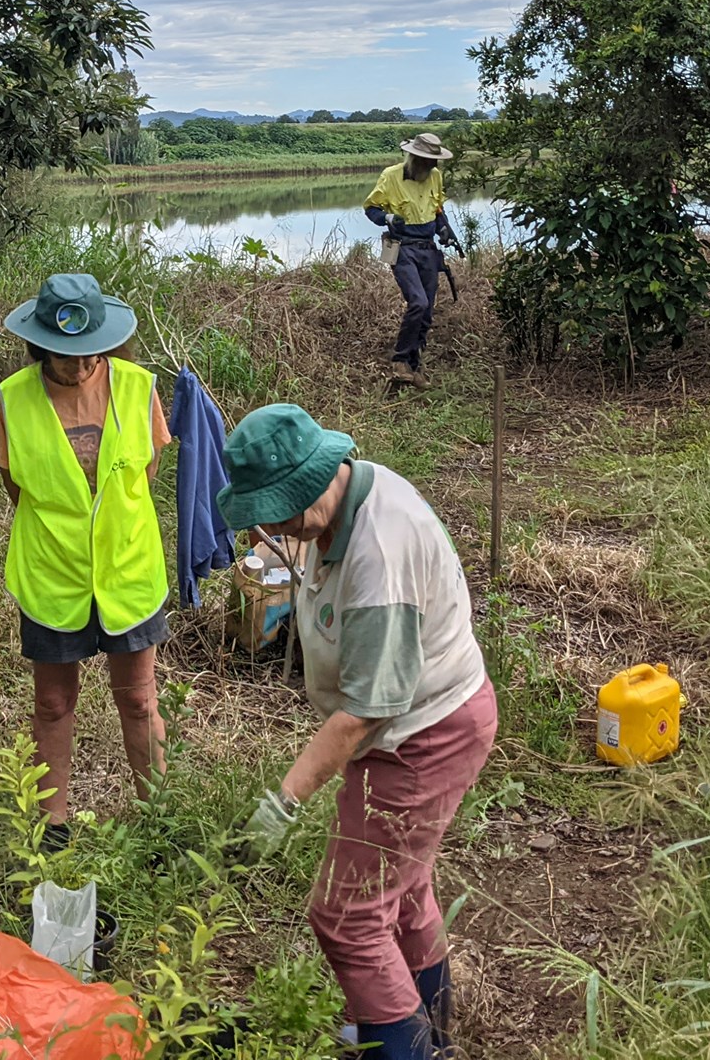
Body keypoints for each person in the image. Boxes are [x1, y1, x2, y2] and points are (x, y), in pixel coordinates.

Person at [218, 404, 495, 1060]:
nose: (272, 528)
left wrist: (284, 799)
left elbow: (366, 711)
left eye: (280, 511)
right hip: (414, 727)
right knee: (400, 892)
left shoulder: (380, 550)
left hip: (424, 738)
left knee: (345, 915)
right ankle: (427, 1028)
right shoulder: (339, 500)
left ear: (316, 480)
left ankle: (406, 1049)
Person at [0, 273, 174, 843]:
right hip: (53, 575)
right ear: (40, 343)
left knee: (140, 702)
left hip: (128, 571)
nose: (79, 366)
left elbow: (145, 476)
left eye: (90, 352)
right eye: (66, 355)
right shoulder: (12, 398)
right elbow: (17, 488)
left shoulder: (139, 388)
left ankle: (159, 821)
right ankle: (53, 827)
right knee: (51, 701)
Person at [364, 132, 461, 389]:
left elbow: (438, 208)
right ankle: (399, 360)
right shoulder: (391, 175)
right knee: (417, 302)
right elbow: (371, 208)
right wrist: (387, 219)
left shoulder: (436, 177)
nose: (430, 167)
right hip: (402, 249)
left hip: (428, 250)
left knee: (427, 312)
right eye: (426, 161)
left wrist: (444, 229)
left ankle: (412, 369)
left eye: (434, 162)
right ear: (414, 157)